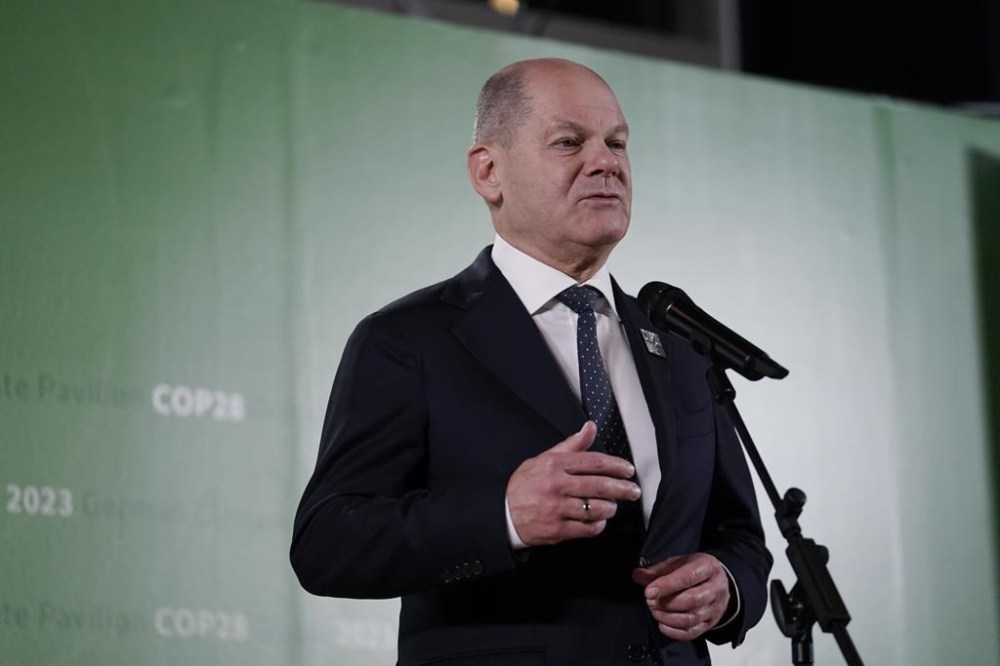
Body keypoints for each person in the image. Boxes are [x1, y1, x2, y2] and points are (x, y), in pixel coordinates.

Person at [290, 58, 772, 665]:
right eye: (569, 142)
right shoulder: (410, 339)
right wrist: (504, 515)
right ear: (489, 171)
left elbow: (738, 535)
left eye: (617, 142)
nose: (606, 162)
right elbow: (329, 542)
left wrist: (725, 587)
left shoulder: (677, 344)